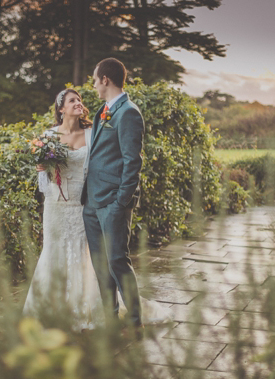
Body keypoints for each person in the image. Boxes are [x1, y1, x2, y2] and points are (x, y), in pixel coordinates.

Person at [23, 84, 172, 332]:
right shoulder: (47, 137)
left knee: (89, 257)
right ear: (61, 109)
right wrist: (42, 169)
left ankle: (92, 308)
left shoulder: (93, 132)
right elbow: (43, 183)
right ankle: (52, 308)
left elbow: (105, 163)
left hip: (85, 203)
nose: (78, 103)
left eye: (79, 99)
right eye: (72, 100)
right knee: (54, 253)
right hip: (57, 206)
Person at [81, 58, 145, 332]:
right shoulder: (103, 111)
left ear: (105, 79)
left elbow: (133, 162)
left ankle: (134, 321)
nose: (94, 85)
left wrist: (121, 202)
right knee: (100, 265)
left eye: (95, 80)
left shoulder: (128, 112)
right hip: (92, 201)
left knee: (117, 260)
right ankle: (111, 320)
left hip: (113, 203)